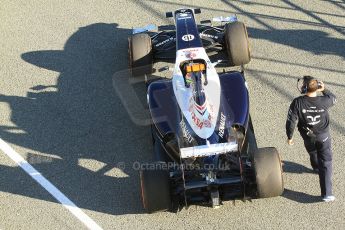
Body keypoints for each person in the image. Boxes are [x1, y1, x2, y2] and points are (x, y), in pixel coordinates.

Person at [286, 76, 337, 202]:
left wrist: (290, 137)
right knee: (326, 162)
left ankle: (315, 166)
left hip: (308, 136)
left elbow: (291, 122)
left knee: (312, 151)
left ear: (304, 88)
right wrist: (325, 90)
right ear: (318, 87)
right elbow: (334, 98)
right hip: (323, 136)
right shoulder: (325, 100)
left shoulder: (298, 102)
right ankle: (327, 194)